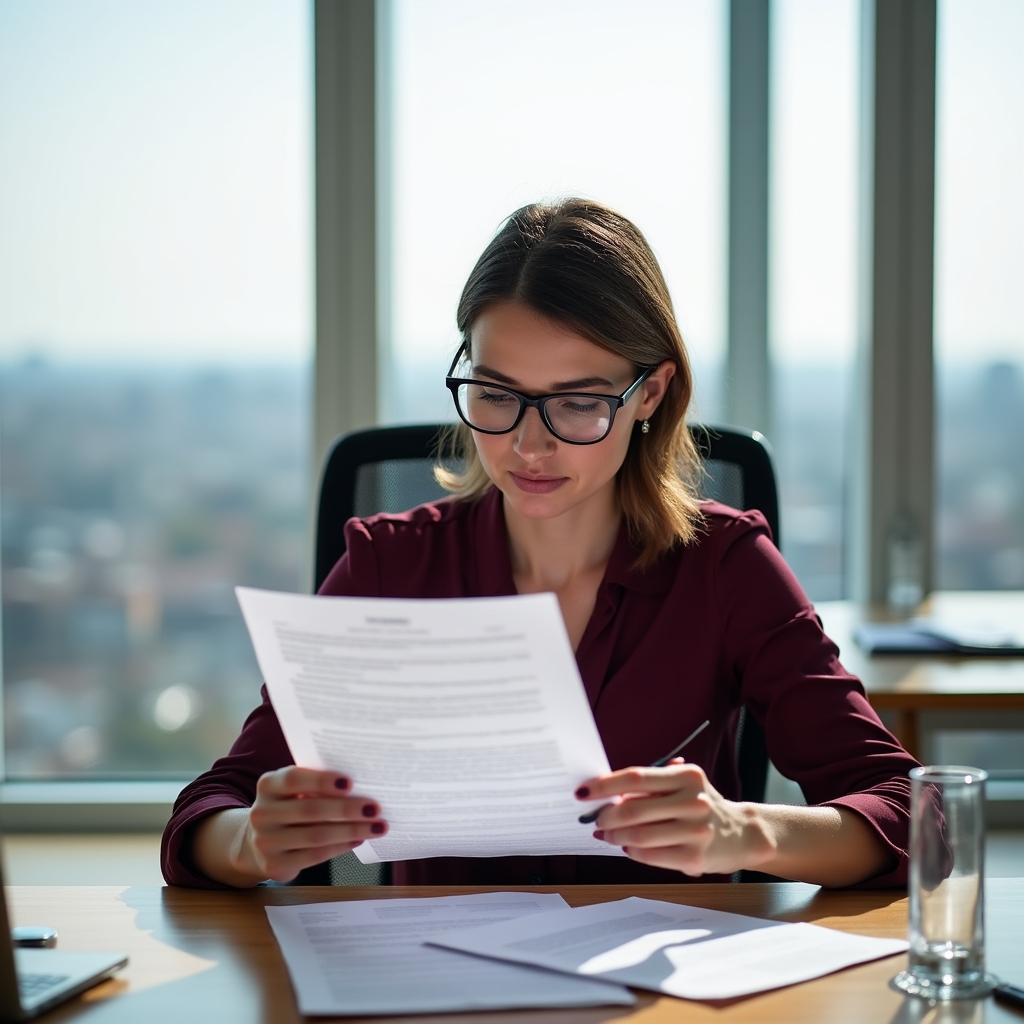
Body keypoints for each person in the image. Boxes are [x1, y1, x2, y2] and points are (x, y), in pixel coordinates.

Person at [162, 198, 918, 890]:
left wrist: (742, 831)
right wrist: (249, 844)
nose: (528, 444)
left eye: (579, 403)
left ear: (649, 393)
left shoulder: (725, 567)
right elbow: (210, 810)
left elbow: (910, 814)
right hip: (434, 990)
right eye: (495, 394)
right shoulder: (388, 566)